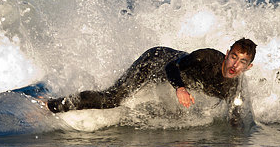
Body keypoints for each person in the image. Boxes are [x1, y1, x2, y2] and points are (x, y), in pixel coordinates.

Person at [46, 38, 256, 114]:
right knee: (111, 99)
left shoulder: (233, 88)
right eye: (233, 57)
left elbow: (235, 118)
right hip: (156, 61)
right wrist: (180, 88)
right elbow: (172, 66)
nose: (234, 65)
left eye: (242, 62)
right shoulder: (206, 58)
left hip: (169, 74)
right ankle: (51, 105)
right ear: (227, 54)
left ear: (248, 67)